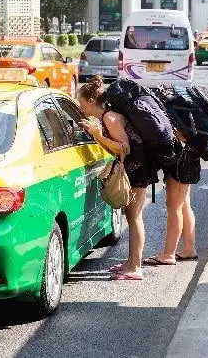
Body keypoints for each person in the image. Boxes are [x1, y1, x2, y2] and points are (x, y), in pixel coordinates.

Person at [77, 76, 159, 281]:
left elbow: (124, 147)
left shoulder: (109, 118)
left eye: (80, 102)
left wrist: (97, 134)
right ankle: (130, 263)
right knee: (131, 218)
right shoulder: (106, 117)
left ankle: (136, 268)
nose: (79, 106)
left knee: (134, 217)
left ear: (89, 101)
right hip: (136, 167)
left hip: (139, 169)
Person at [144, 131, 201, 266]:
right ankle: (188, 249)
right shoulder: (190, 109)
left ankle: (169, 254)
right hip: (191, 150)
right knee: (184, 204)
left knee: (174, 206)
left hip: (180, 154)